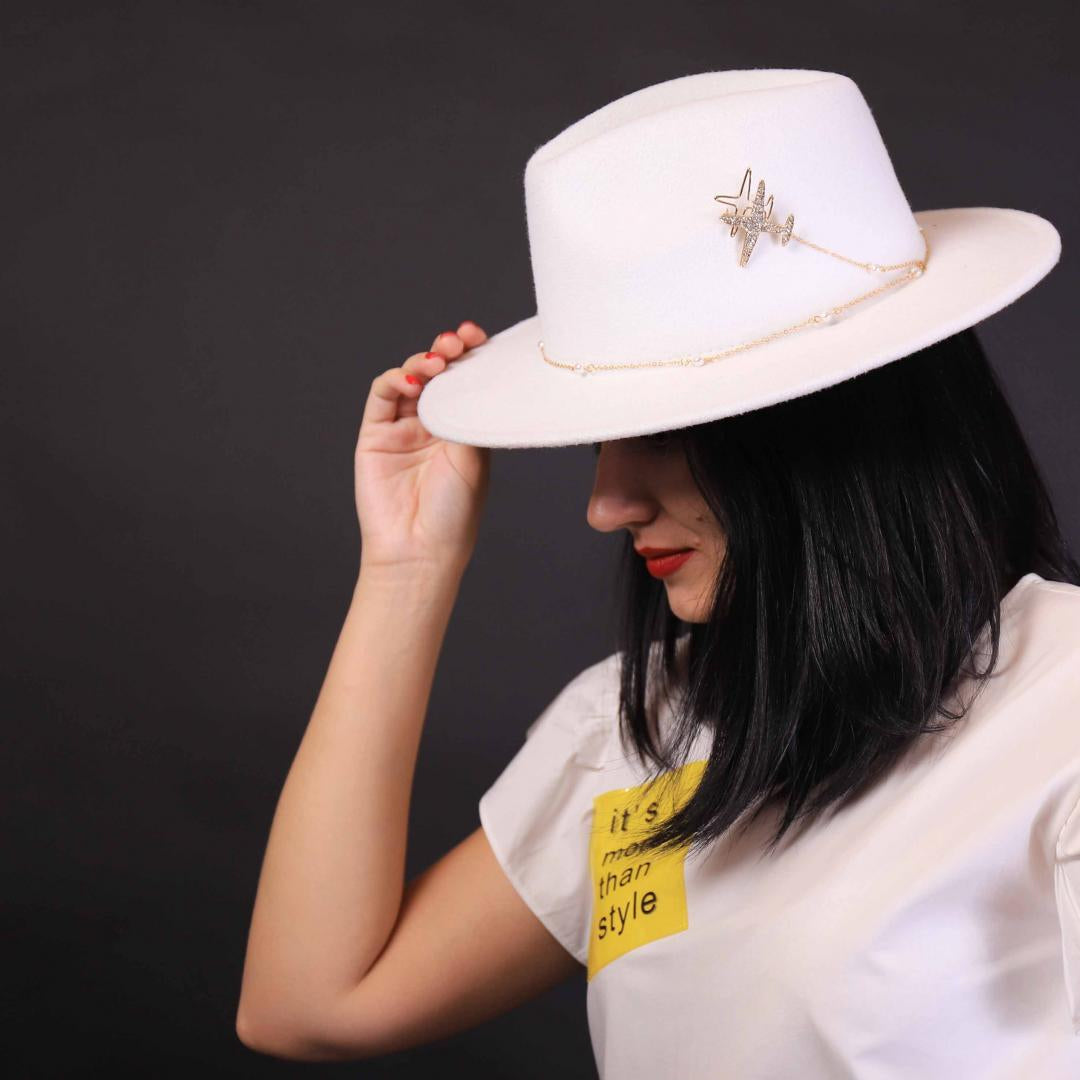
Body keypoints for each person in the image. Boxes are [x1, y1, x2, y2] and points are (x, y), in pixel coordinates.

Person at [236, 69, 1080, 1076]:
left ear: (825, 431)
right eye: (601, 441)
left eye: (663, 438)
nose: (606, 506)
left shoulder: (1059, 707)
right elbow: (308, 1004)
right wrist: (407, 567)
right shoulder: (641, 726)